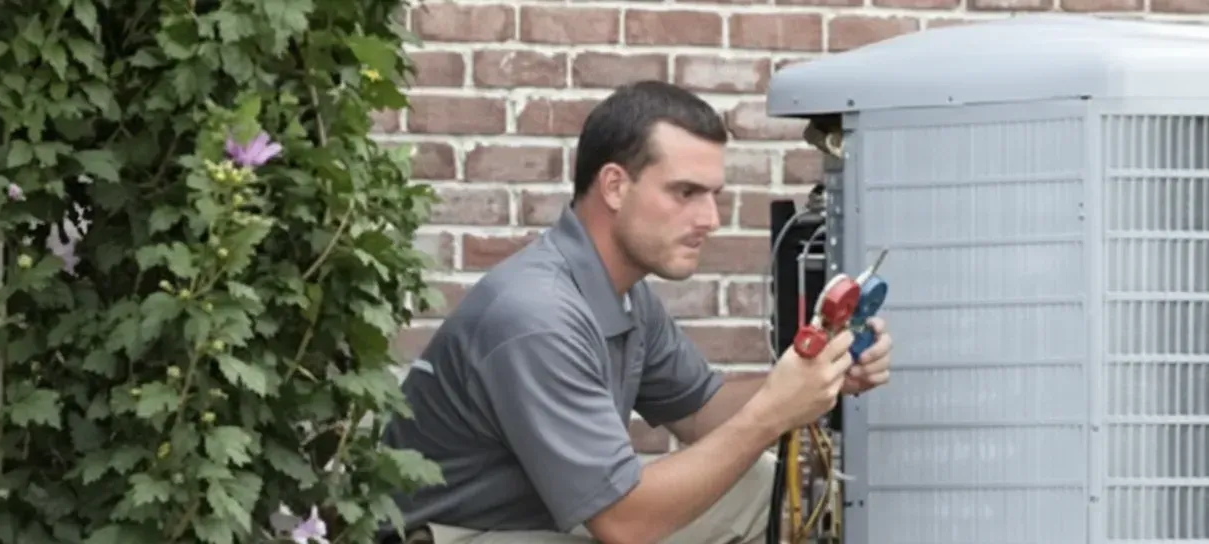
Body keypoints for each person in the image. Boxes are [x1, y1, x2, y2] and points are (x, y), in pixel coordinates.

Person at [379, 80, 894, 544]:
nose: (711, 219)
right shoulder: (536, 316)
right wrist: (772, 412)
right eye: (685, 192)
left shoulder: (621, 293)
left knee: (756, 481)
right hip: (455, 534)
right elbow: (626, 524)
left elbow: (699, 413)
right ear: (614, 186)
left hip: (537, 519)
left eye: (714, 195)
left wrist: (820, 376)